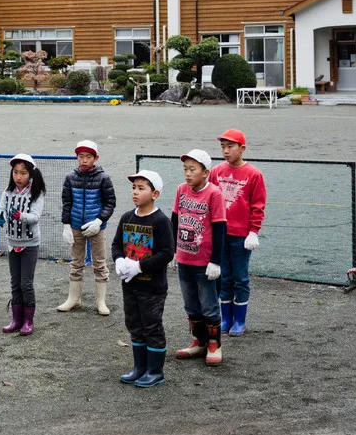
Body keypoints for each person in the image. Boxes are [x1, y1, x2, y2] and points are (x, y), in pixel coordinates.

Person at [113, 170, 174, 388]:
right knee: (134, 324)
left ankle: (155, 370)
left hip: (152, 287)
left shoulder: (161, 221)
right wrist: (119, 260)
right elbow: (116, 244)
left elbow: (167, 253)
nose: (135, 192)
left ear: (155, 193)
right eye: (133, 188)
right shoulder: (126, 217)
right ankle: (139, 367)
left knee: (152, 326)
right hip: (130, 285)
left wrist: (139, 266)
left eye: (141, 188)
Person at [172, 149, 227, 366]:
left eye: (192, 169)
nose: (187, 173)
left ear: (206, 172)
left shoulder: (214, 193)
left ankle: (214, 343)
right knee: (191, 304)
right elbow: (174, 219)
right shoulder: (181, 190)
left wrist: (216, 261)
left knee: (209, 304)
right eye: (185, 169)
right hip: (184, 258)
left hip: (204, 262)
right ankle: (199, 341)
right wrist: (172, 250)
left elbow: (220, 227)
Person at [210, 128, 267, 336]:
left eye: (230, 146)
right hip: (221, 233)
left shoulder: (254, 174)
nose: (226, 151)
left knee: (240, 277)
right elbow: (211, 201)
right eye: (223, 147)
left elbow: (258, 205)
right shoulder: (216, 171)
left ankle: (239, 320)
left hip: (241, 236)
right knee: (224, 276)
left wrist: (253, 231)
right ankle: (226, 318)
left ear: (242, 148)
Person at [57, 140, 116, 315]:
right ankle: (74, 298)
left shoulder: (103, 178)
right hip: (76, 225)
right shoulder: (70, 178)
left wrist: (99, 221)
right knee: (76, 262)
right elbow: (66, 203)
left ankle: (101, 301)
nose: (84, 160)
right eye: (81, 156)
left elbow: (110, 203)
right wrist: (66, 225)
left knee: (99, 262)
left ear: (95, 158)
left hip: (96, 227)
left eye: (88, 157)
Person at [0, 154, 46, 336]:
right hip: (12, 242)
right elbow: (0, 209)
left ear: (30, 174)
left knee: (26, 283)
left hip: (30, 244)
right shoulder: (8, 192)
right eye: (15, 172)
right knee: (15, 282)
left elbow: (35, 217)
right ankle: (16, 320)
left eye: (23, 173)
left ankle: (28, 321)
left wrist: (20, 216)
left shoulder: (36, 193)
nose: (18, 177)